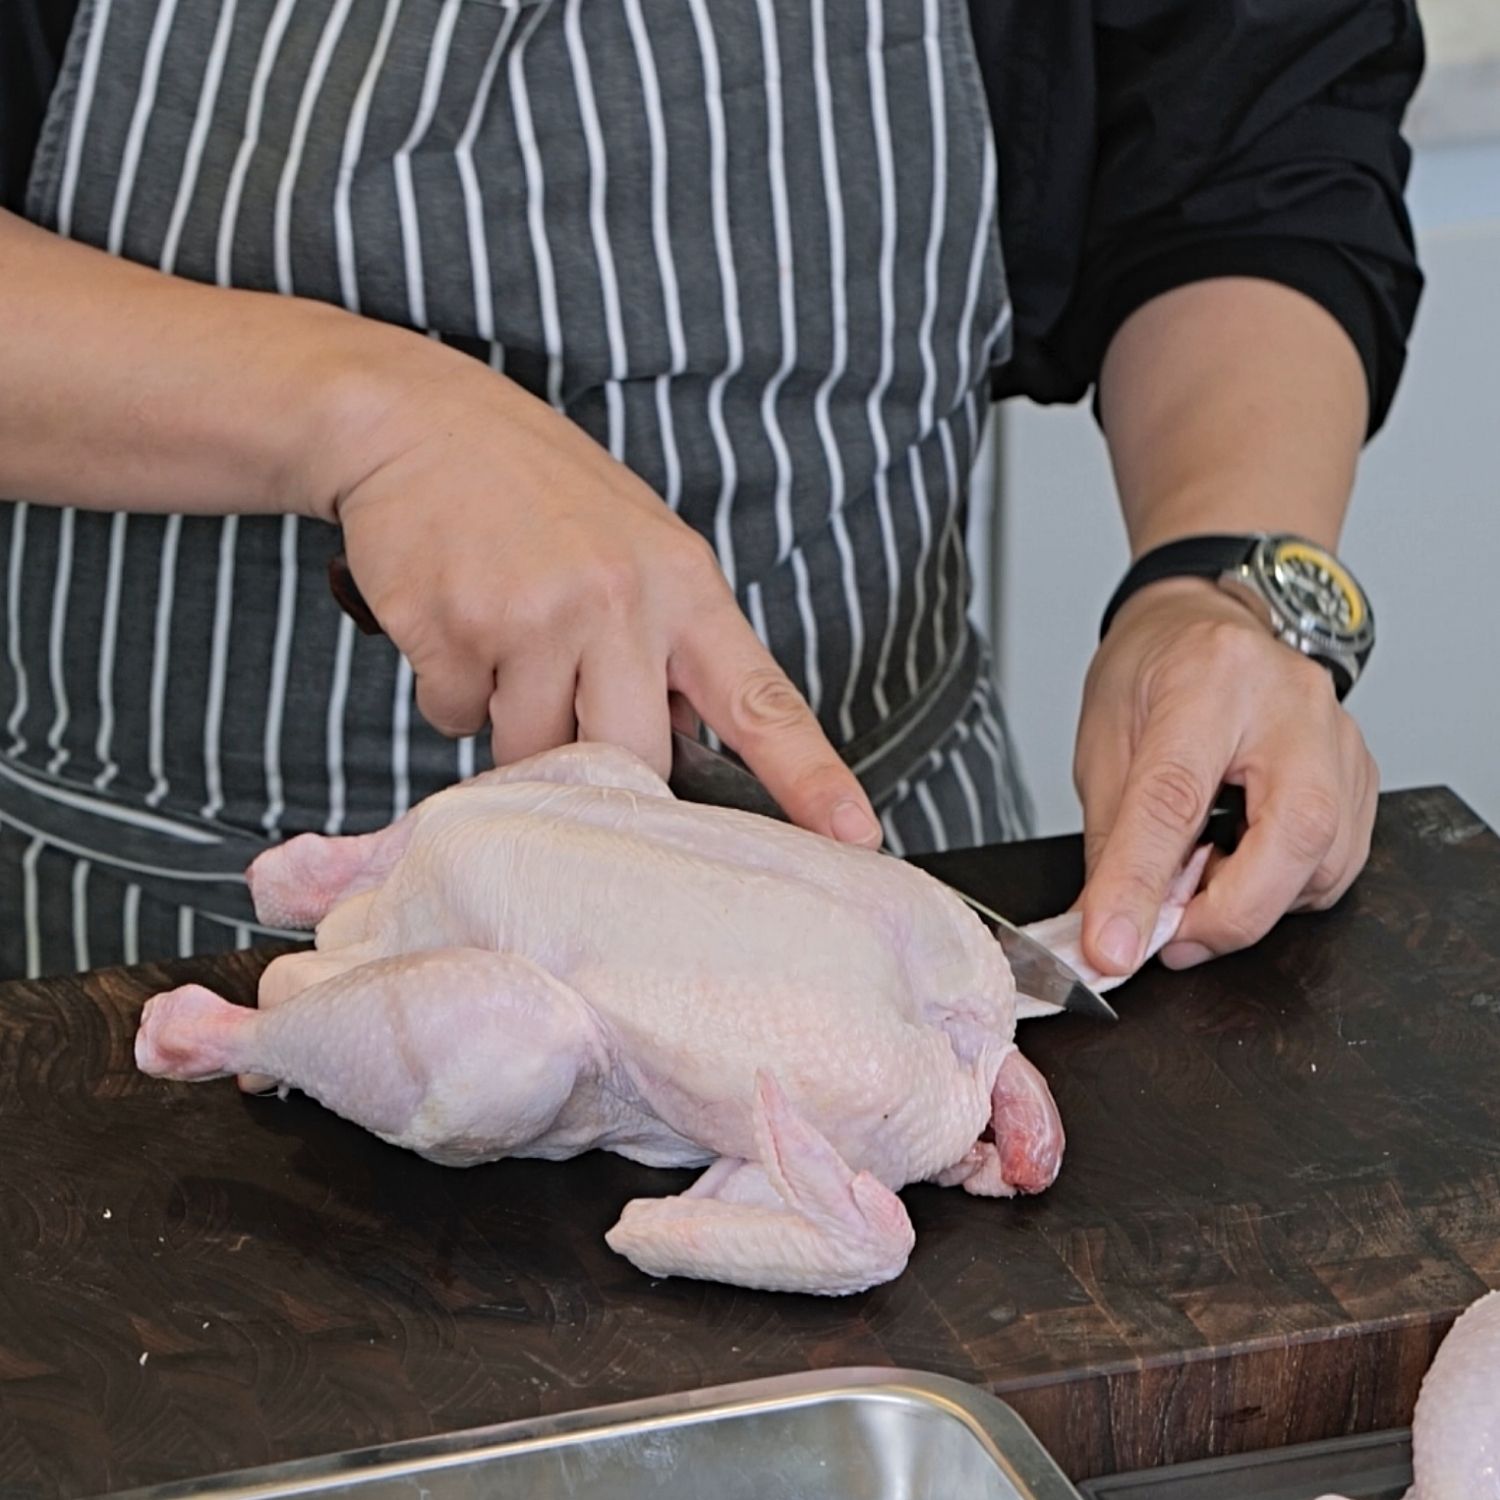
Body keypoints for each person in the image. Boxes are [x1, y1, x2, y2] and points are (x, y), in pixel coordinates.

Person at [0, 0, 1423, 983]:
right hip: (158, 943)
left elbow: (1250, 133)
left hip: (877, 903)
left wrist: (1219, 580)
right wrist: (372, 418)